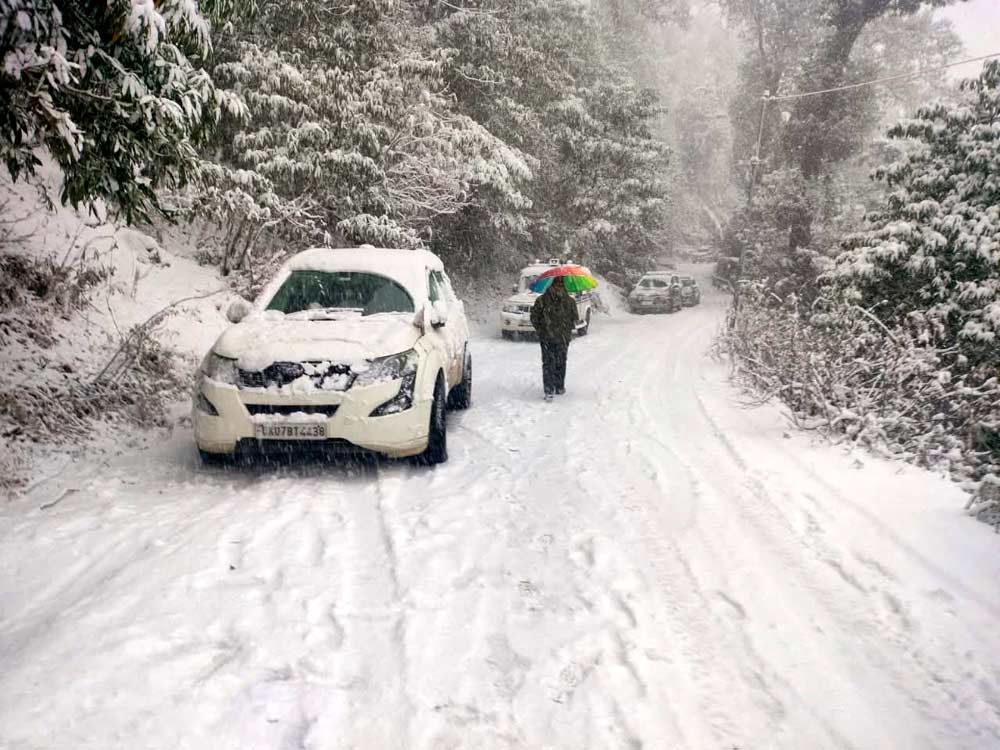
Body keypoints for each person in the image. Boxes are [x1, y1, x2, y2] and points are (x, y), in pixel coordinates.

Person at [529, 276, 578, 400]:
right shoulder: (570, 301)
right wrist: (567, 328)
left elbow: (534, 317)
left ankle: (549, 390)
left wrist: (541, 330)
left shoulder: (542, 300)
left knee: (548, 363)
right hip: (563, 337)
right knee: (561, 362)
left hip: (547, 337)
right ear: (564, 285)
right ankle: (559, 387)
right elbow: (575, 318)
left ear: (550, 284)